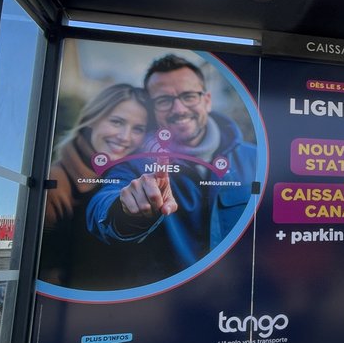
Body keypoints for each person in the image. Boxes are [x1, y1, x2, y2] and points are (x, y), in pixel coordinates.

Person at [86, 54, 258, 281]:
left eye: (188, 96)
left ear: (206, 100)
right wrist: (125, 211)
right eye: (164, 100)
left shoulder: (255, 158)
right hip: (173, 304)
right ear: (152, 109)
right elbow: (103, 204)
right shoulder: (135, 164)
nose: (178, 109)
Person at [39, 84, 151, 289]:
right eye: (117, 122)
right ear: (92, 120)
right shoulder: (56, 184)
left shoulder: (133, 176)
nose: (125, 137)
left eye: (138, 129)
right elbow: (45, 275)